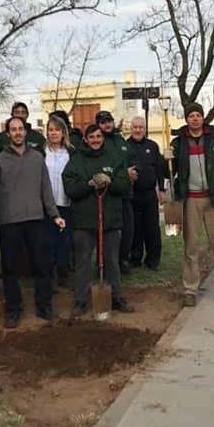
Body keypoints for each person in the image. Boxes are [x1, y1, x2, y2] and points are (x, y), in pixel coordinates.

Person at [0, 116, 65, 328]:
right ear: (8, 133)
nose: (18, 133)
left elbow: (45, 189)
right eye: (13, 130)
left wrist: (54, 214)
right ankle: (13, 310)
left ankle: (44, 305)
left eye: (21, 129)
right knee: (10, 269)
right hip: (9, 221)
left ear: (26, 131)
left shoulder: (37, 158)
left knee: (42, 265)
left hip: (36, 219)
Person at [166, 103, 214, 307]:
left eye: (198, 115)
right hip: (191, 200)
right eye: (191, 116)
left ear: (203, 118)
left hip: (213, 199)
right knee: (191, 247)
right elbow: (167, 173)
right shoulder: (179, 143)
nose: (194, 119)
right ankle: (190, 289)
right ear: (186, 119)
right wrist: (166, 159)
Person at [63, 124, 136, 316]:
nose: (95, 140)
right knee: (83, 262)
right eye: (91, 137)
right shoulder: (76, 160)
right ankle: (80, 300)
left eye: (98, 136)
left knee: (112, 261)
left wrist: (110, 182)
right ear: (85, 139)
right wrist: (89, 184)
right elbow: (70, 188)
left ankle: (117, 297)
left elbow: (124, 185)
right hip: (84, 221)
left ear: (103, 138)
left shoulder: (114, 157)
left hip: (110, 219)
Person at [97, 110, 136, 275]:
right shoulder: (98, 141)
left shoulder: (120, 140)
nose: (107, 124)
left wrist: (132, 172)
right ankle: (104, 264)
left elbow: (129, 160)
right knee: (108, 231)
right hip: (107, 195)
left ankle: (123, 260)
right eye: (103, 122)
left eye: (109, 121)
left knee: (127, 229)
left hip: (125, 193)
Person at [126, 116, 165, 270]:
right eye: (135, 127)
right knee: (134, 228)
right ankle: (135, 258)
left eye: (140, 127)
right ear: (131, 128)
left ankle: (153, 260)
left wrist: (161, 189)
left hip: (149, 194)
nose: (138, 130)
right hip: (132, 194)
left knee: (152, 228)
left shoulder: (153, 146)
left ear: (145, 129)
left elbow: (160, 169)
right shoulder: (125, 147)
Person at [44, 115, 75, 287]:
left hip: (65, 202)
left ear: (63, 132)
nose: (54, 133)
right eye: (50, 130)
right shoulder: (42, 153)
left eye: (57, 130)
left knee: (64, 240)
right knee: (48, 240)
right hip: (47, 205)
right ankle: (49, 274)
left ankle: (63, 273)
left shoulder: (71, 153)